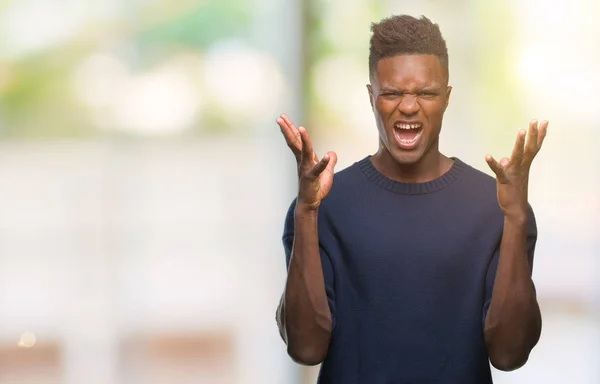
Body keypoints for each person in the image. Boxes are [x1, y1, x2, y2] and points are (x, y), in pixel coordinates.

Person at [275, 14, 547, 383]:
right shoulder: (324, 204)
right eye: (391, 93)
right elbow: (305, 348)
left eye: (426, 93)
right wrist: (307, 212)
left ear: (447, 98)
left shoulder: (496, 206)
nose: (408, 106)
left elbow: (509, 354)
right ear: (372, 96)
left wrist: (515, 219)